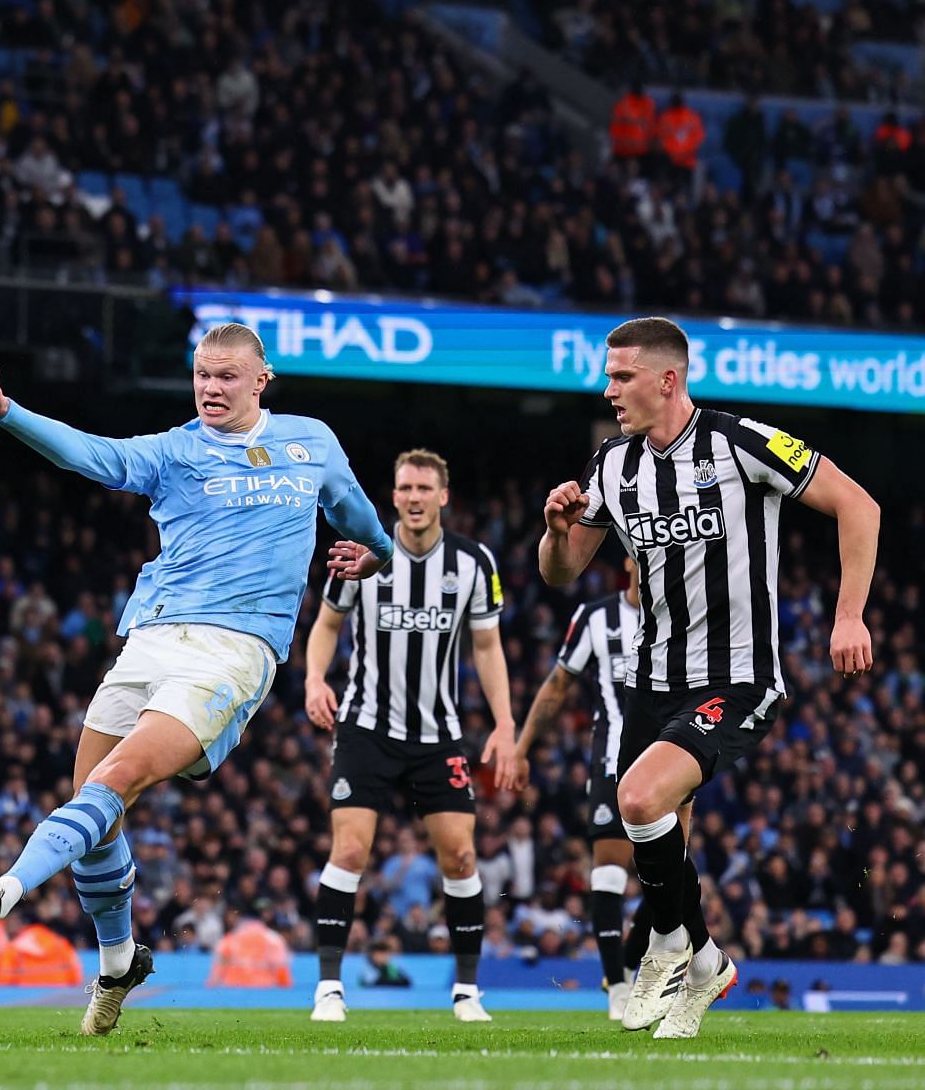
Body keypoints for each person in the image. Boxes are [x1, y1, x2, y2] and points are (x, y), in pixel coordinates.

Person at [0, 321, 394, 1036]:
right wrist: (8, 414)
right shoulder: (176, 450)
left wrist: (379, 554)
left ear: (260, 379)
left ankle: (4, 890)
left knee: (111, 782)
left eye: (225, 377)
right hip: (150, 639)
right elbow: (93, 455)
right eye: (201, 376)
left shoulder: (313, 441)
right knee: (96, 814)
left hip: (234, 649)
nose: (211, 388)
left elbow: (364, 522)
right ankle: (119, 960)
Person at [540, 316, 880, 1040]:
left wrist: (849, 615)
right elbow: (563, 570)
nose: (608, 390)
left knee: (637, 798)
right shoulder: (612, 463)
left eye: (622, 376)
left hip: (737, 675)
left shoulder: (742, 443)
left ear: (668, 380)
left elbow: (859, 504)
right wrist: (553, 529)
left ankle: (672, 948)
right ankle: (704, 971)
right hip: (651, 679)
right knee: (662, 840)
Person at [302, 449, 513, 1023]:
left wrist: (506, 724)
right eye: (405, 488)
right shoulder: (363, 554)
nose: (414, 497)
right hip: (366, 726)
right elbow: (326, 625)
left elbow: (488, 648)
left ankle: (467, 993)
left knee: (462, 856)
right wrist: (315, 678)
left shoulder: (473, 562)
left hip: (438, 734)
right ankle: (328, 990)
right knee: (349, 850)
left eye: (425, 488)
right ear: (392, 496)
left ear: (443, 496)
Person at [500, 555, 652, 1022]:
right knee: (609, 871)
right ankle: (617, 984)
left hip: (672, 758)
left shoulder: (683, 616)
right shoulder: (594, 617)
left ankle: (627, 963)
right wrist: (522, 746)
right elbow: (557, 685)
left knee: (671, 879)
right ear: (628, 560)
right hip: (612, 761)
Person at [206, 908, 292, 987]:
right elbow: (280, 966)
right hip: (264, 989)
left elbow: (219, 967)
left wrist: (212, 985)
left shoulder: (230, 939)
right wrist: (285, 987)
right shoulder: (274, 939)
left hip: (233, 989)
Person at [0, 913, 83, 986]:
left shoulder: (12, 949)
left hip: (24, 999)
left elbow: (3, 982)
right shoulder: (61, 944)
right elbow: (75, 976)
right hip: (60, 996)